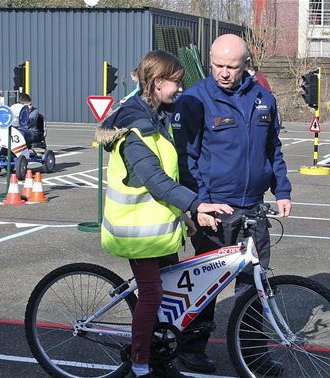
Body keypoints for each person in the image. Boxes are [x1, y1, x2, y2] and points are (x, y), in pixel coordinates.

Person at [95, 50, 233, 378]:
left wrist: (188, 214)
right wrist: (196, 205)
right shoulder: (136, 126)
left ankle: (158, 355)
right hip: (135, 231)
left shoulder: (156, 116)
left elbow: (169, 176)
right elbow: (155, 180)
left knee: (170, 290)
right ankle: (141, 363)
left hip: (157, 228)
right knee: (154, 293)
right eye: (176, 81)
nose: (181, 88)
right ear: (157, 83)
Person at [172, 34, 292, 375]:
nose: (224, 73)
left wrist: (282, 190)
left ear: (245, 65)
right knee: (205, 288)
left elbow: (274, 149)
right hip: (215, 212)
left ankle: (252, 354)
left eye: (232, 67)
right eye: (218, 66)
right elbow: (187, 159)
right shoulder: (194, 100)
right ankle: (191, 351)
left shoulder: (263, 99)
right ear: (210, 62)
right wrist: (199, 206)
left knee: (254, 288)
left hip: (254, 209)